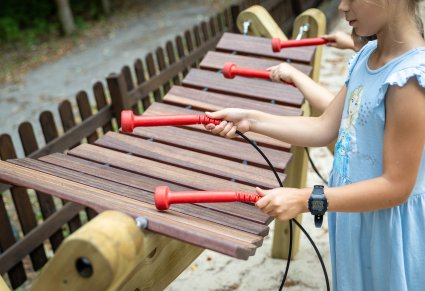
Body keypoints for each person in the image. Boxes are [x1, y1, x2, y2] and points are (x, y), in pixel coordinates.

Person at [205, 0, 425, 290]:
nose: (343, 7)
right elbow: (323, 127)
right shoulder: (367, 56)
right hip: (355, 215)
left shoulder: (408, 79)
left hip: (389, 230)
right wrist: (250, 120)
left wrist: (306, 199)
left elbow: (396, 186)